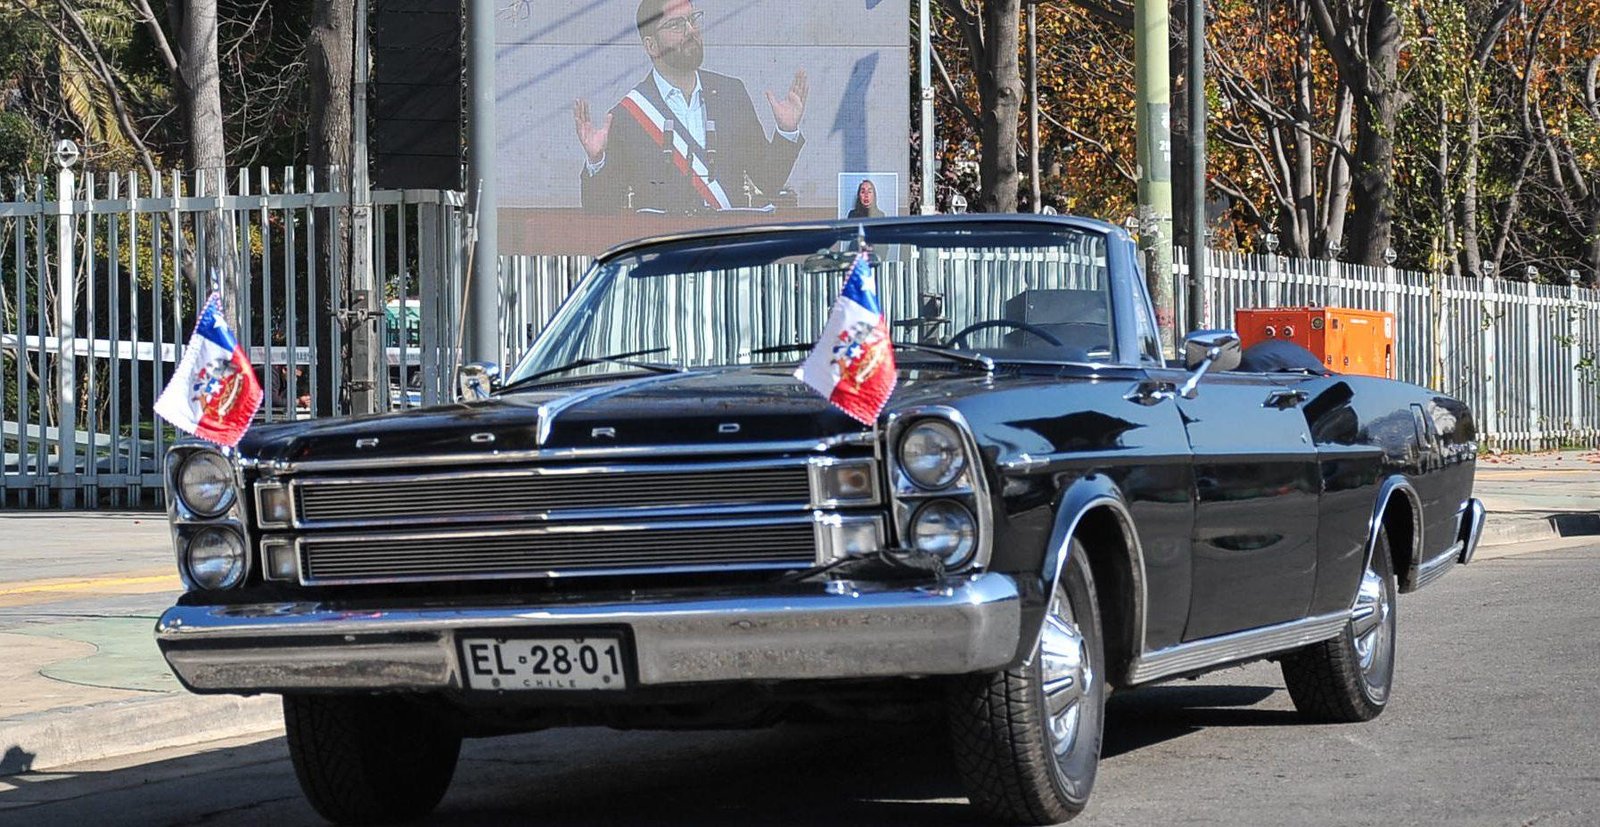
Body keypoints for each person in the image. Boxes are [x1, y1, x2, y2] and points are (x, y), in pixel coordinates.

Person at [573, 0, 809, 214]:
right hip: (667, 246)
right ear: (651, 45)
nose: (691, 31)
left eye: (692, 20)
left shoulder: (731, 94)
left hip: (725, 243)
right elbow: (602, 210)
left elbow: (768, 181)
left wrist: (786, 132)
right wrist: (596, 161)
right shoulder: (628, 115)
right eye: (676, 25)